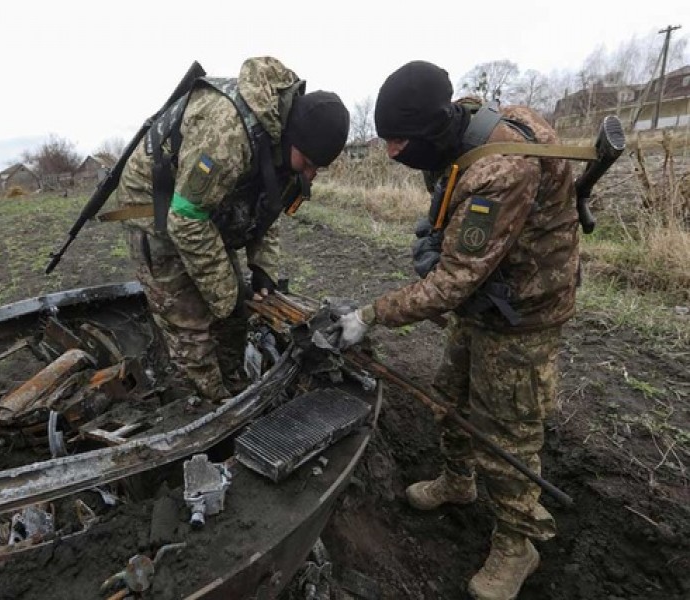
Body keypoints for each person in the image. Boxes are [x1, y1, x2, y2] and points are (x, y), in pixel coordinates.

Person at [331, 60, 579, 599]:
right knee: (449, 396)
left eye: (399, 141)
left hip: (523, 318)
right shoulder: (460, 129)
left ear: (429, 129)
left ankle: (518, 546)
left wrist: (369, 316)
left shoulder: (501, 169)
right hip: (489, 302)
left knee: (505, 434)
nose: (391, 152)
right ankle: (458, 482)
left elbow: (449, 285)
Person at [113, 56, 349, 401]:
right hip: (158, 211)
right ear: (293, 139)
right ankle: (208, 402)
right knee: (193, 324)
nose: (310, 175)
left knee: (233, 312)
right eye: (309, 164)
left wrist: (262, 268)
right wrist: (227, 293)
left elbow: (267, 206)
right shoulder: (226, 135)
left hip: (201, 207)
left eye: (318, 169)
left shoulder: (281, 137)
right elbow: (186, 218)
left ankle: (236, 385)